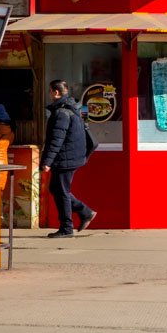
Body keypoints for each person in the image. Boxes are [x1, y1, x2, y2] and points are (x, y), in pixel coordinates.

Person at [40, 80, 95, 238]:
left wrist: (47, 162)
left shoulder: (61, 112)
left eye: (50, 91)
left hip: (66, 157)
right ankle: (84, 212)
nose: (49, 95)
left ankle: (67, 227)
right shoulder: (73, 107)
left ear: (56, 92)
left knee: (62, 191)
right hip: (72, 156)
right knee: (56, 189)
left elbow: (56, 139)